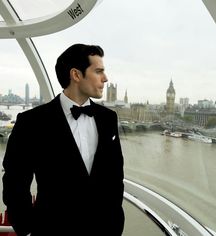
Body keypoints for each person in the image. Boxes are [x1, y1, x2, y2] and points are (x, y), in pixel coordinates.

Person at [2, 43, 125, 236]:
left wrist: (115, 224)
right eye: (98, 71)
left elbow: (115, 176)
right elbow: (15, 181)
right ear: (76, 75)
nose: (105, 78)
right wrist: (27, 229)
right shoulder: (32, 121)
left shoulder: (108, 118)